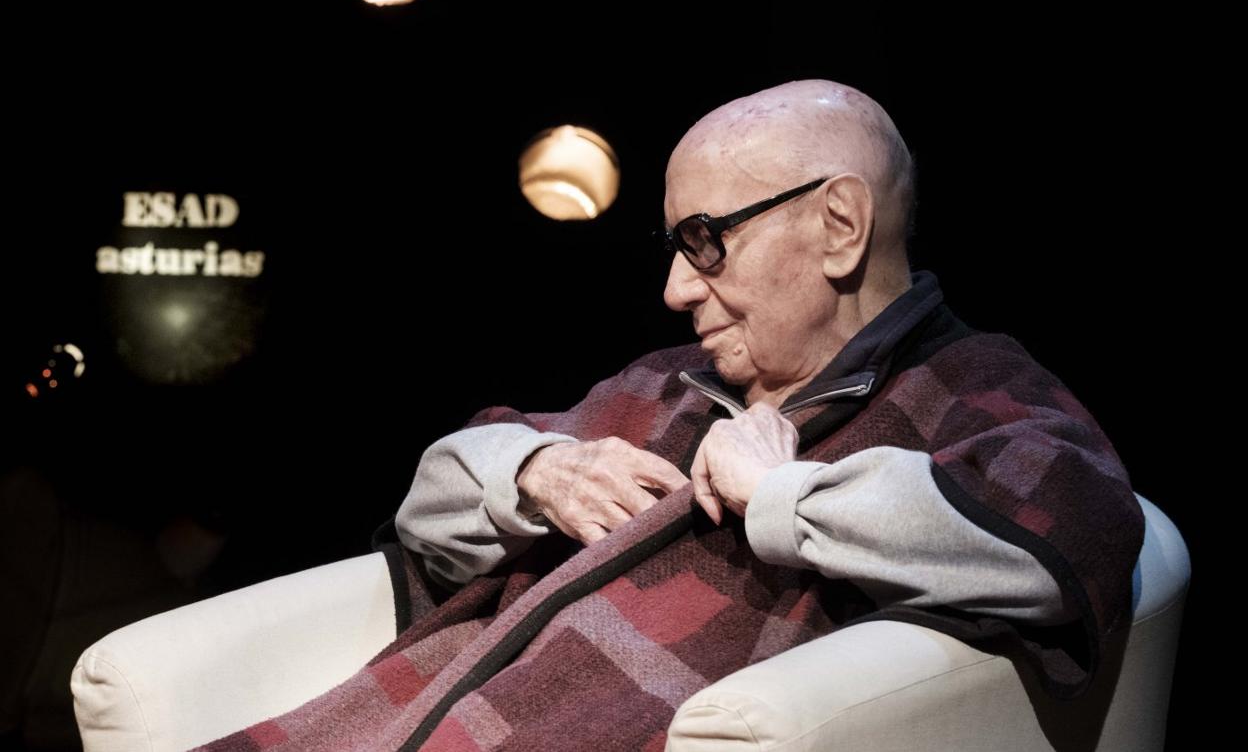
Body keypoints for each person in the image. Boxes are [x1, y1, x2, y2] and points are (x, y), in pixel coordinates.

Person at [203, 80, 1143, 750]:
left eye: (705, 241)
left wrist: (782, 494)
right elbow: (432, 503)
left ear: (840, 226)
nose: (675, 289)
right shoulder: (670, 383)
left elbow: (1068, 543)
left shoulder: (971, 389)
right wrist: (534, 472)